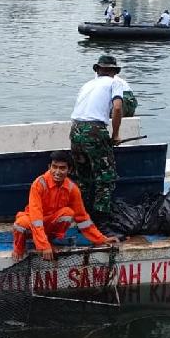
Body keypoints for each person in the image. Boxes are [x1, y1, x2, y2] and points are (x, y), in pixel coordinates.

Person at [12, 151, 118, 261]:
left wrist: (101, 239)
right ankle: (19, 248)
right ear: (49, 167)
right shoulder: (39, 184)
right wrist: (43, 246)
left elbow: (83, 218)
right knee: (21, 224)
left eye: (62, 168)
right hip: (32, 223)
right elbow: (36, 218)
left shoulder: (72, 189)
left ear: (69, 170)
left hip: (49, 225)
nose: (57, 172)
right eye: (54, 167)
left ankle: (50, 240)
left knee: (68, 213)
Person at [70, 55, 125, 221]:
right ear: (114, 72)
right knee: (106, 176)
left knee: (83, 177)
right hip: (94, 130)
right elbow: (117, 108)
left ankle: (81, 216)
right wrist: (115, 134)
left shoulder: (87, 84)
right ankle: (101, 220)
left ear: (98, 70)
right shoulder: (116, 82)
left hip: (75, 130)